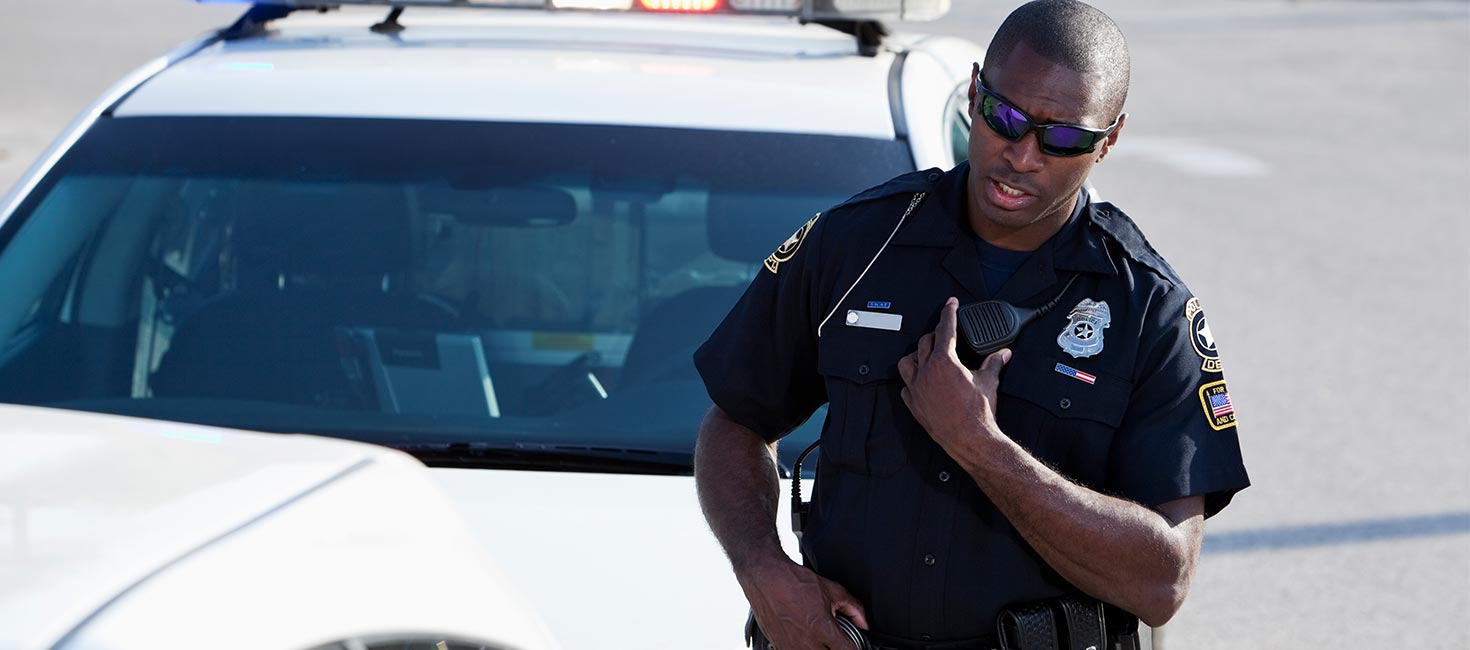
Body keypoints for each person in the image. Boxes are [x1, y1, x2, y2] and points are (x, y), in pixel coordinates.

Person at [692, 1, 1251, 648]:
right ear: (976, 91)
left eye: (1064, 138)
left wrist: (981, 448)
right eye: (1004, 117)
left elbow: (1162, 583)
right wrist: (765, 573)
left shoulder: (1149, 311)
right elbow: (734, 420)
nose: (1023, 155)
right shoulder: (854, 247)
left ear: (1110, 139)